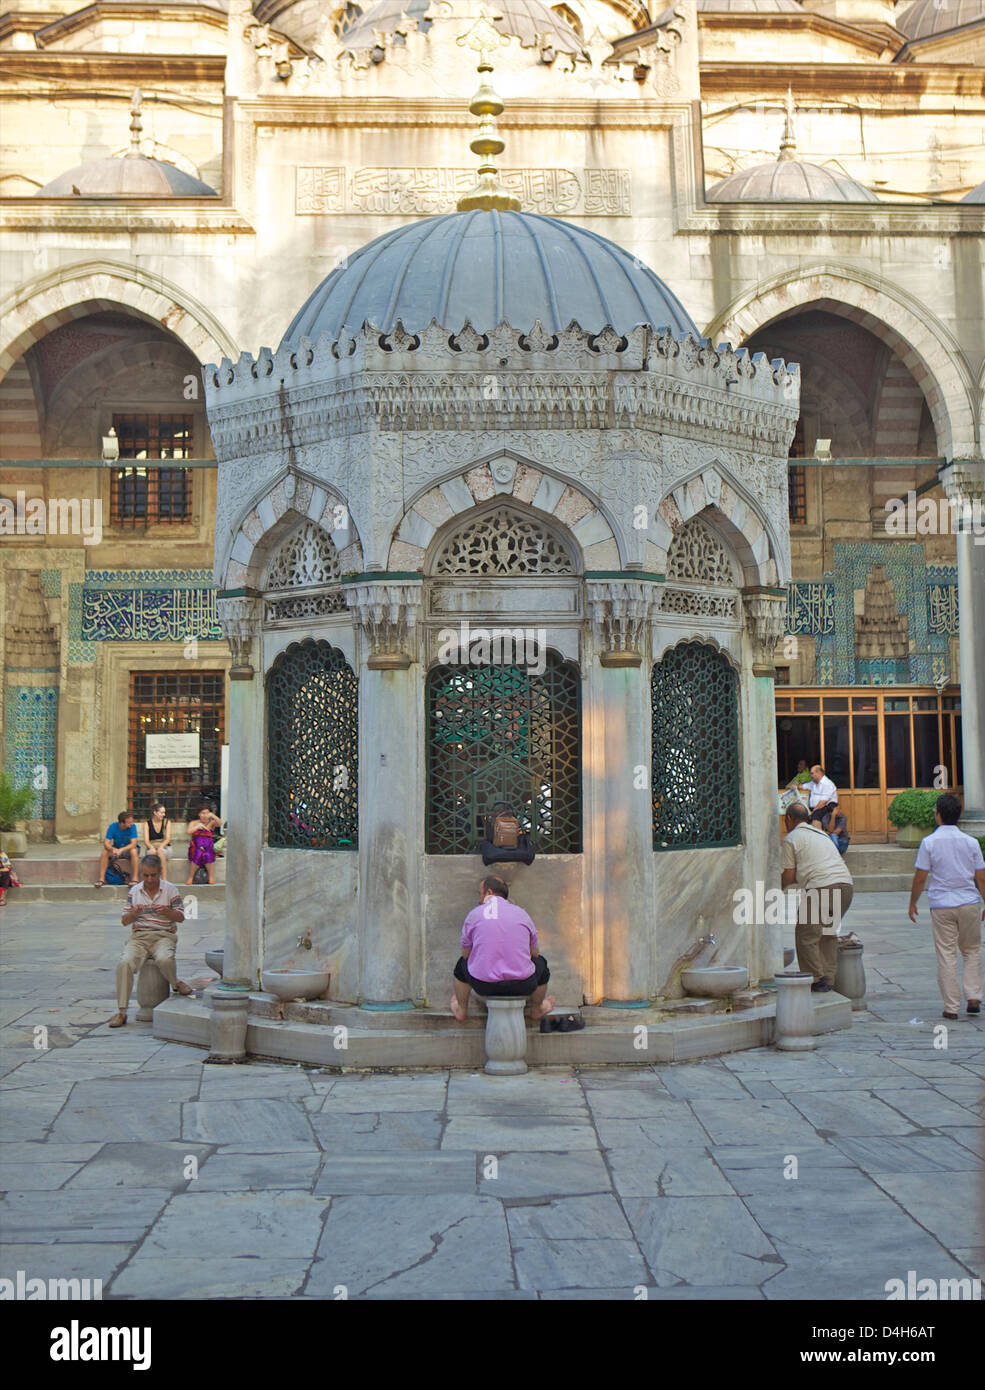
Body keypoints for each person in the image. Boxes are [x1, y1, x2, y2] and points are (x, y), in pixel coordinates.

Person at [907, 793, 985, 1021]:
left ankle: (951, 1006)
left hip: (941, 904)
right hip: (969, 902)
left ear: (939, 815)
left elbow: (920, 877)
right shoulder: (971, 842)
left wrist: (913, 902)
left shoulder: (929, 842)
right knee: (971, 950)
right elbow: (981, 877)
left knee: (946, 954)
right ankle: (973, 996)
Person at [451, 875, 556, 1022]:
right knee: (541, 963)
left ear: (489, 892)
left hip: (484, 986)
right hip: (523, 985)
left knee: (461, 965)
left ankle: (461, 1010)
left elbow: (466, 954)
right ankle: (537, 1008)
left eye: (480, 894)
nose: (478, 900)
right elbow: (535, 953)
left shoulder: (474, 914)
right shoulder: (522, 914)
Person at [108, 853, 193, 1027]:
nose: (150, 879)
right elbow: (124, 921)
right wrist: (134, 913)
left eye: (153, 875)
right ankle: (121, 1011)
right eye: (146, 876)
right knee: (124, 963)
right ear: (141, 874)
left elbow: (181, 917)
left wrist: (168, 912)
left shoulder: (170, 890)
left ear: (159, 873)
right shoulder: (134, 891)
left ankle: (175, 982)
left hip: (163, 935)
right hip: (139, 937)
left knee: (164, 958)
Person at [781, 801, 855, 992]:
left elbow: (788, 875)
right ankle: (828, 980)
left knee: (806, 934)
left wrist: (775, 889)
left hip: (821, 887)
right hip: (846, 886)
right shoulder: (821, 834)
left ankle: (815, 978)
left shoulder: (792, 838)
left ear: (789, 819)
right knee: (827, 934)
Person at [94, 811, 139, 887]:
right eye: (129, 822)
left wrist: (121, 850)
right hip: (116, 849)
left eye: (131, 822)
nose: (131, 824)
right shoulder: (113, 827)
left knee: (134, 851)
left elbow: (133, 844)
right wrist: (113, 849)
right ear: (121, 823)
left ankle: (135, 879)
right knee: (105, 851)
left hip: (127, 849)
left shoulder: (133, 827)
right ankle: (101, 879)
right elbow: (106, 843)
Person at [185, 804, 219, 886]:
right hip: (196, 846)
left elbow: (219, 823)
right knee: (199, 853)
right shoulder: (194, 823)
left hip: (208, 846)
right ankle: (191, 877)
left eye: (207, 813)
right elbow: (188, 831)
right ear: (199, 814)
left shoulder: (211, 823)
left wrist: (213, 815)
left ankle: (211, 877)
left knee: (208, 854)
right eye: (202, 813)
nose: (204, 815)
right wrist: (197, 827)